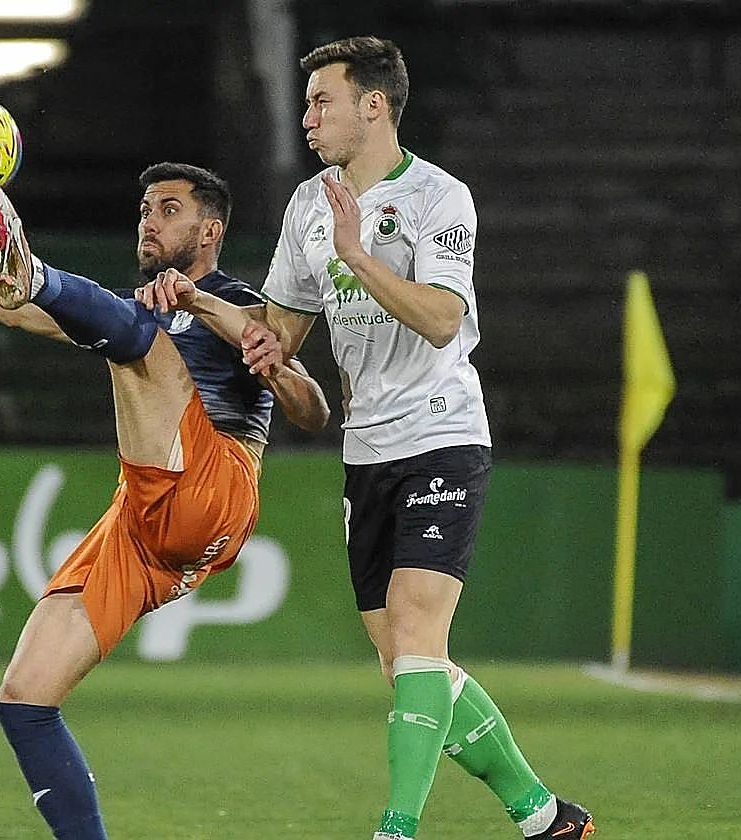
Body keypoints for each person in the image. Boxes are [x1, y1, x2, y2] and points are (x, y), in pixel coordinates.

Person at [140, 37, 593, 840]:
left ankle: (396, 827)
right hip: (368, 449)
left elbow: (443, 318)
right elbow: (278, 333)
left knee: (420, 640)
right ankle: (546, 816)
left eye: (322, 100)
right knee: (408, 668)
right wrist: (202, 303)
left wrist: (357, 256)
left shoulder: (439, 198)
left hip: (443, 434)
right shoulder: (308, 205)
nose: (308, 116)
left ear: (373, 105)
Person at [0, 162, 329, 839]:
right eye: (143, 210)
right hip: (143, 521)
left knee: (142, 347)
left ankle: (38, 267)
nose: (148, 221)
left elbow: (316, 411)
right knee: (25, 698)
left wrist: (271, 362)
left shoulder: (239, 305)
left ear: (209, 230)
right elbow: (9, 305)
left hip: (217, 489)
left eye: (167, 209)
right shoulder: (132, 314)